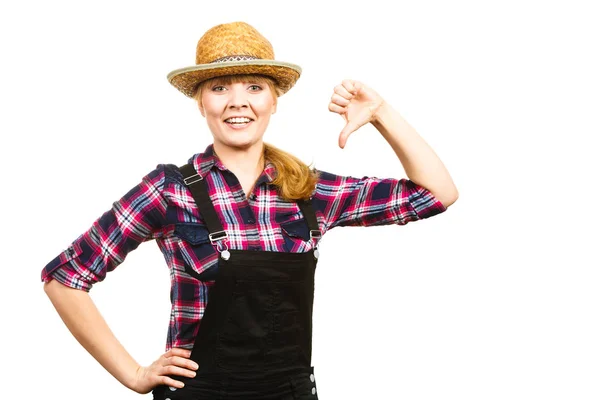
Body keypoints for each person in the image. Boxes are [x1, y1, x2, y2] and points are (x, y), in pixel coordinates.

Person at [41, 21, 458, 400]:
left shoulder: (309, 190)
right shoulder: (169, 190)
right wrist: (132, 374)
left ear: (274, 101)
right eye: (220, 88)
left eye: (255, 88)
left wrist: (381, 114)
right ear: (201, 102)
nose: (237, 102)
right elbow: (64, 277)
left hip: (289, 394)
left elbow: (436, 194)